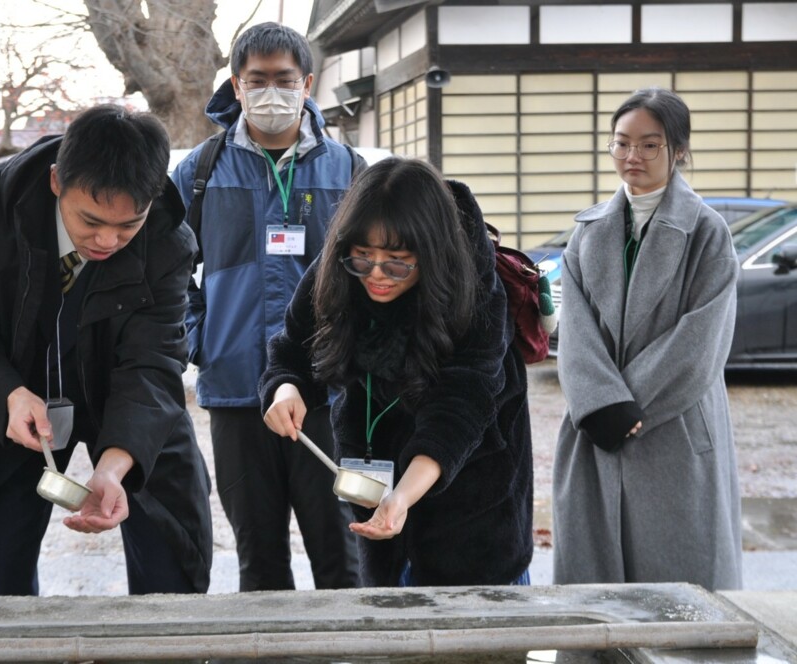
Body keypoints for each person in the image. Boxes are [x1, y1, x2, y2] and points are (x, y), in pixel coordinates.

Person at [0, 105, 213, 596]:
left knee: (172, 567)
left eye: (128, 226)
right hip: (18, 397)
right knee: (3, 573)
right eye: (91, 221)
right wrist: (7, 394)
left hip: (129, 398)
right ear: (57, 181)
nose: (107, 240)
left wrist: (116, 463)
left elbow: (154, 361)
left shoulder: (167, 236)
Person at [260, 157, 533, 587]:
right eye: (362, 258)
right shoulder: (337, 267)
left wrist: (403, 496)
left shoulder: (476, 289)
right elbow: (293, 347)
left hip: (472, 506)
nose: (377, 275)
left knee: (472, 635)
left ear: (433, 254)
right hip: (376, 481)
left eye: (398, 262)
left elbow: (461, 405)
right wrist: (285, 389)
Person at [170, 22, 362, 591]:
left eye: (285, 79)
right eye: (258, 80)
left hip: (329, 393)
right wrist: (200, 338)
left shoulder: (348, 170)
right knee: (259, 562)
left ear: (307, 83)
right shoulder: (200, 172)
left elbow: (377, 273)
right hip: (237, 391)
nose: (272, 91)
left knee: (342, 558)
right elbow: (167, 272)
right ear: (236, 83)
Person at [552, 87, 742, 590]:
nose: (631, 156)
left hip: (673, 424)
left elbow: (702, 337)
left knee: (681, 591)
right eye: (621, 143)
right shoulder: (588, 230)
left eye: (649, 144)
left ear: (678, 149)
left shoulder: (707, 231)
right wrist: (603, 405)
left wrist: (629, 407)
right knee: (598, 589)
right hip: (596, 425)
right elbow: (575, 332)